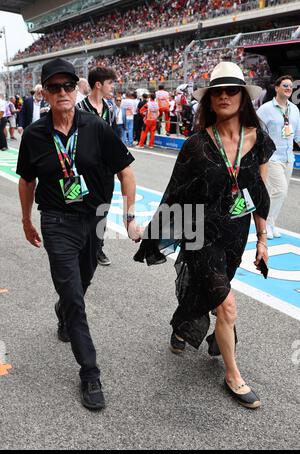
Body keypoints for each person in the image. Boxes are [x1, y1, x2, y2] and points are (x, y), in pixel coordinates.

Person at [134, 62, 276, 410]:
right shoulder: (195, 145)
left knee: (208, 293)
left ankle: (182, 324)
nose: (225, 96)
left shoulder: (259, 140)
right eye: (218, 92)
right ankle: (233, 376)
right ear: (209, 101)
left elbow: (258, 192)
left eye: (232, 91)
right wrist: (152, 231)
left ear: (243, 98)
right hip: (199, 233)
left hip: (235, 233)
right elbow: (174, 194)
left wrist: (262, 240)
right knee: (226, 306)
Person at [16, 58, 141, 411]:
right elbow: (27, 181)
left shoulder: (97, 127)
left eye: (67, 86)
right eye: (53, 88)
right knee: (74, 294)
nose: (62, 93)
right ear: (44, 93)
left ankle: (64, 310)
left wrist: (129, 217)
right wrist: (26, 220)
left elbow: (126, 174)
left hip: (95, 218)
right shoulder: (34, 135)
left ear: (77, 89)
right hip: (56, 221)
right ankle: (90, 371)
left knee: (81, 284)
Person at [77, 66, 117, 266]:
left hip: (106, 170)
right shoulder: (79, 109)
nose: (113, 87)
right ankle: (80, 244)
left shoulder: (110, 108)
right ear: (98, 84)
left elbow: (114, 139)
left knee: (103, 209)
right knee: (80, 207)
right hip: (83, 169)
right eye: (110, 83)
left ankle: (97, 248)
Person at [257, 75, 300, 239]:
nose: (289, 88)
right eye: (285, 85)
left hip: (288, 158)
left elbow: (298, 135)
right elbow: (256, 133)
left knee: (281, 193)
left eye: (290, 86)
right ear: (277, 88)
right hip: (272, 157)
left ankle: (271, 223)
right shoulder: (265, 109)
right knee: (280, 191)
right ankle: (267, 223)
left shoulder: (294, 110)